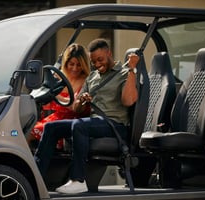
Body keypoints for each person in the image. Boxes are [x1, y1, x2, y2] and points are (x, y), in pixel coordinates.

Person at [34, 38, 139, 194]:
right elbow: (76, 108)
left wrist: (131, 69)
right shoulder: (92, 77)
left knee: (79, 125)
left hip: (115, 126)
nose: (97, 64)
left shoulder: (124, 73)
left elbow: (129, 100)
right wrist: (82, 101)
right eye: (93, 62)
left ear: (109, 53)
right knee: (51, 127)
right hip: (95, 123)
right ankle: (35, 177)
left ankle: (78, 180)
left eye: (100, 60)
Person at [27, 43, 91, 149]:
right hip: (56, 117)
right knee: (24, 130)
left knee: (33, 133)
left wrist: (55, 95)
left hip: (75, 120)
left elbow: (74, 106)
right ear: (66, 63)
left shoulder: (87, 80)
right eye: (71, 64)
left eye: (79, 65)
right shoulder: (57, 75)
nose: (75, 68)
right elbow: (46, 102)